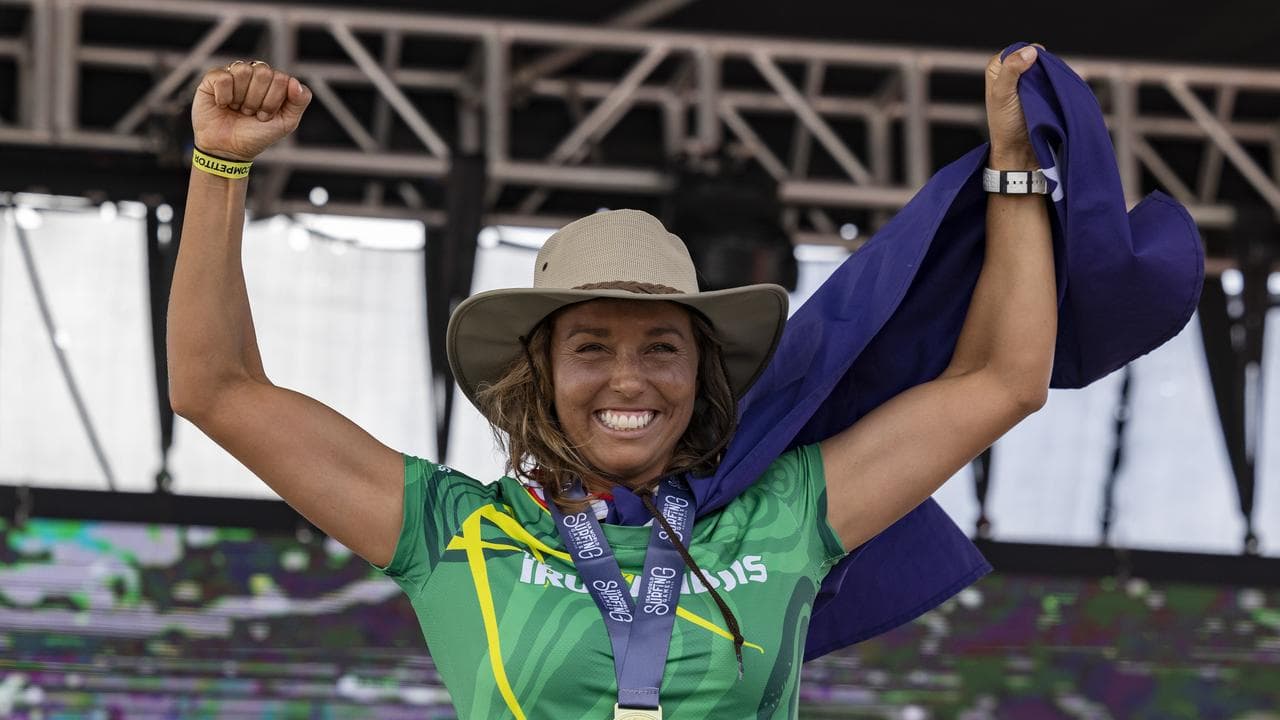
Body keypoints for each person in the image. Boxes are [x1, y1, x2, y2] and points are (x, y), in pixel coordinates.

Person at [169, 46, 1055, 719]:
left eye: (662, 348)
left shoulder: (786, 513)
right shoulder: (456, 533)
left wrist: (1014, 167)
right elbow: (217, 386)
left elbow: (1003, 379)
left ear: (702, 373)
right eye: (590, 347)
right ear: (542, 375)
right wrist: (221, 165)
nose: (628, 379)